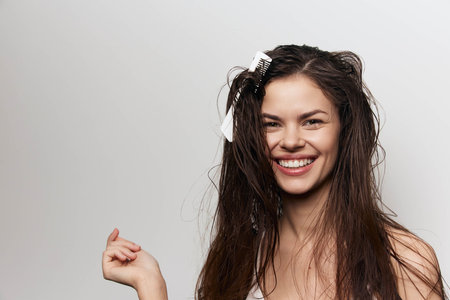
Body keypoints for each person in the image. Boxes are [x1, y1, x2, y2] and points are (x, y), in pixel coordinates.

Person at [102, 44, 446, 299]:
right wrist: (151, 285)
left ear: (344, 129)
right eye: (272, 124)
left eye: (312, 121)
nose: (291, 141)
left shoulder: (404, 262)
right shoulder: (239, 257)